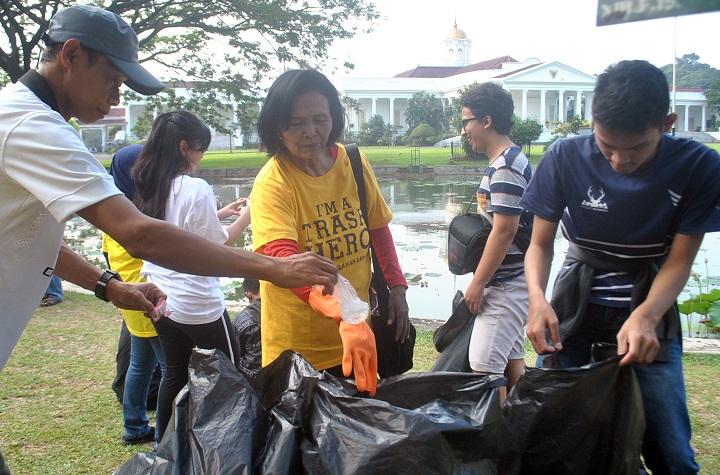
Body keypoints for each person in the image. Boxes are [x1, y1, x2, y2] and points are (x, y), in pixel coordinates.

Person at [0, 6, 336, 470]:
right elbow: (137, 232)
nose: (114, 95)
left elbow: (31, 236)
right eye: (113, 79)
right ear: (72, 55)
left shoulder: (20, 118)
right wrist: (275, 267)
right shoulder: (33, 125)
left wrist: (108, 285)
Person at [521, 60, 720, 474]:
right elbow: (540, 244)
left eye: (635, 149)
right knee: (547, 431)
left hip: (649, 304)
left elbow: (680, 260)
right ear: (593, 120)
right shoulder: (564, 156)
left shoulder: (699, 166)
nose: (617, 161)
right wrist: (537, 300)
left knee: (672, 452)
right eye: (606, 145)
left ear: (667, 123)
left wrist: (645, 316)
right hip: (574, 308)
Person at [251, 69, 411, 396]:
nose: (310, 132)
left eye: (320, 119)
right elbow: (284, 260)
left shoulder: (352, 161)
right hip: (297, 351)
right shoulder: (273, 182)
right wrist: (346, 315)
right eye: (296, 123)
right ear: (277, 128)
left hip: (357, 339)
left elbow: (378, 227)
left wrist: (397, 287)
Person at [131, 110, 253, 442]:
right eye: (200, 150)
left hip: (162, 298)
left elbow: (175, 229)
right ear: (185, 147)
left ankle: (166, 446)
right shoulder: (195, 187)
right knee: (230, 371)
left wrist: (221, 213)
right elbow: (216, 243)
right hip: (198, 303)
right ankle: (229, 442)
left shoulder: (150, 183)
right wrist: (247, 216)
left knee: (175, 372)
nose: (201, 158)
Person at [459, 82, 533, 396]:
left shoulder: (505, 168)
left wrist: (478, 282)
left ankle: (497, 441)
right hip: (510, 281)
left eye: (466, 122)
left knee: (484, 367)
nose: (463, 131)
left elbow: (505, 230)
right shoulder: (508, 160)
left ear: (486, 121)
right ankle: (522, 431)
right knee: (511, 359)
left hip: (505, 284)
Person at [232, 277, 262, 378]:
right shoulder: (283, 311)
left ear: (247, 293)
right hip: (281, 371)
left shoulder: (243, 318)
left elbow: (235, 352)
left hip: (251, 376)